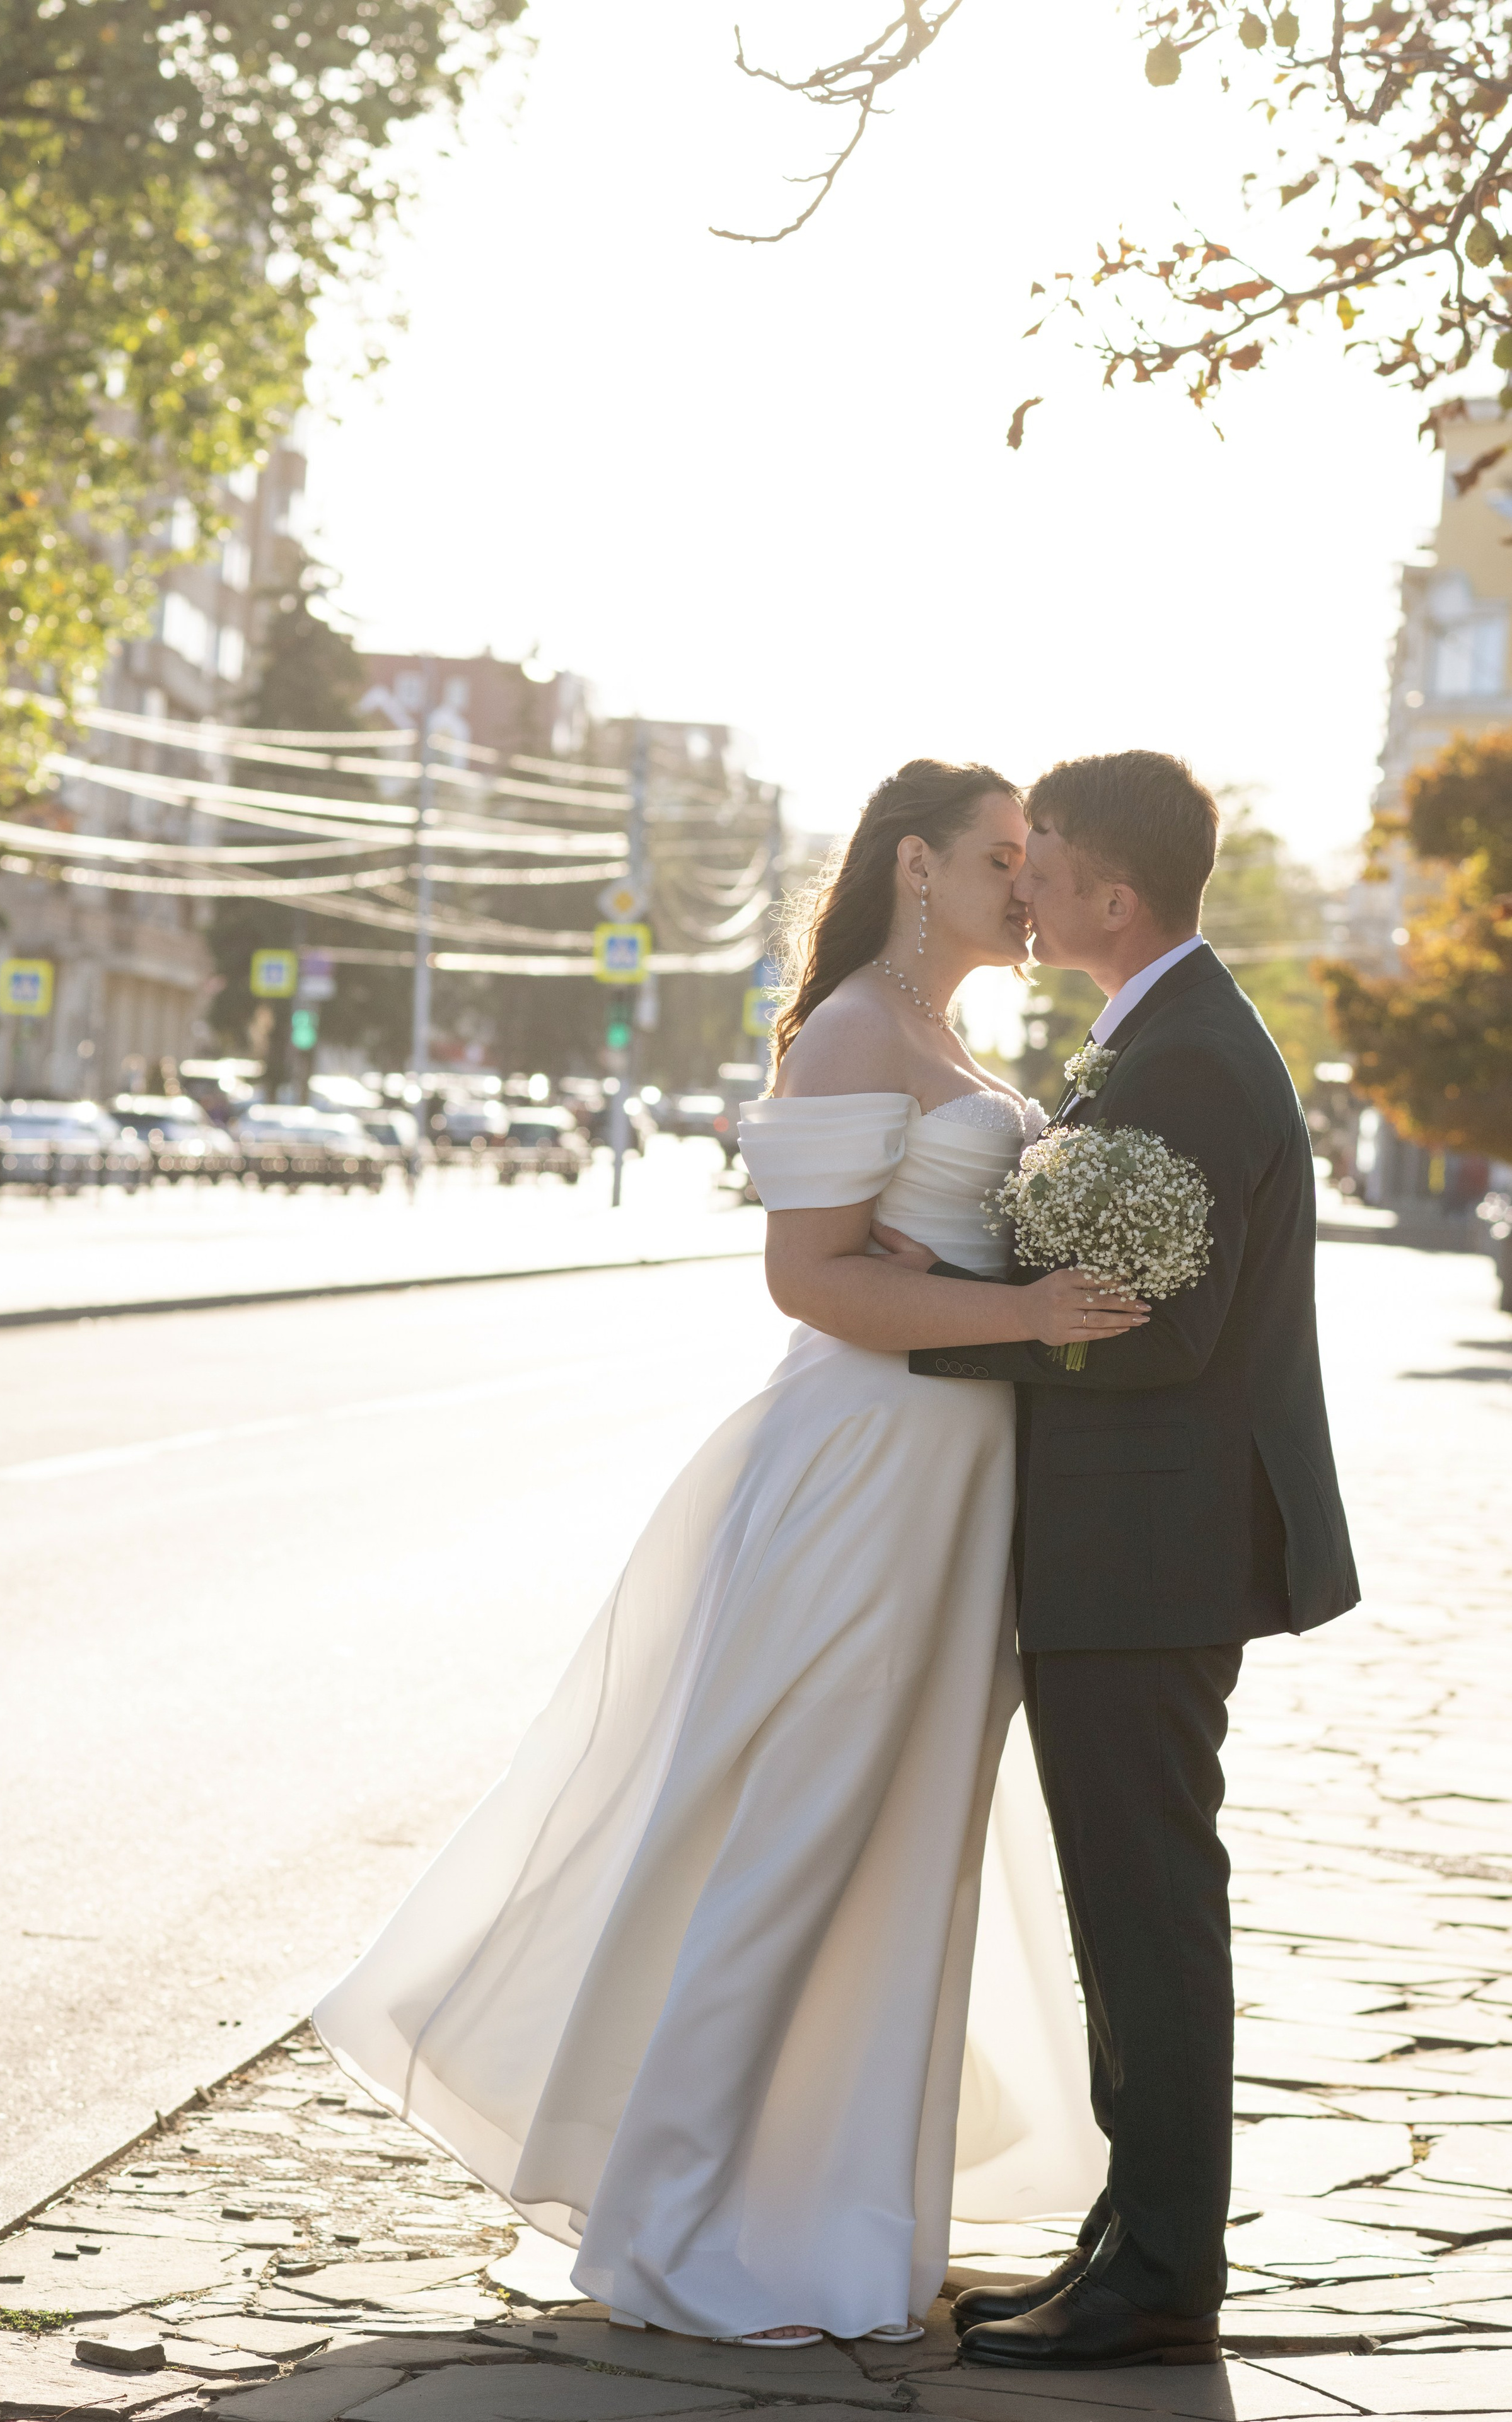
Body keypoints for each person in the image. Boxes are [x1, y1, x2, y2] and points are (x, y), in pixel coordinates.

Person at [311, 759, 1143, 2346]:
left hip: (955, 1490)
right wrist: (1025, 1310)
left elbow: (910, 1247)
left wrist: (1015, 1271)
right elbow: (810, 1282)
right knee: (796, 1837)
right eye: (996, 856)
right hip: (861, 1478)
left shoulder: (951, 1043)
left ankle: (839, 2224)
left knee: (901, 1843)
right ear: (913, 865)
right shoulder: (849, 1029)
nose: (1022, 886)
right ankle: (680, 2223)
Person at [878, 750, 1360, 2372]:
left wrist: (941, 1328)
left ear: (1110, 899)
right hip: (1129, 1552)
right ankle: (1128, 2235)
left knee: (1147, 1912)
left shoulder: (1192, 1063)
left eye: (1045, 860)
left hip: (1148, 1557)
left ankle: (1159, 2276)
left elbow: (1151, 1336)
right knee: (1125, 1907)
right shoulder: (1161, 1036)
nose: (1022, 884)